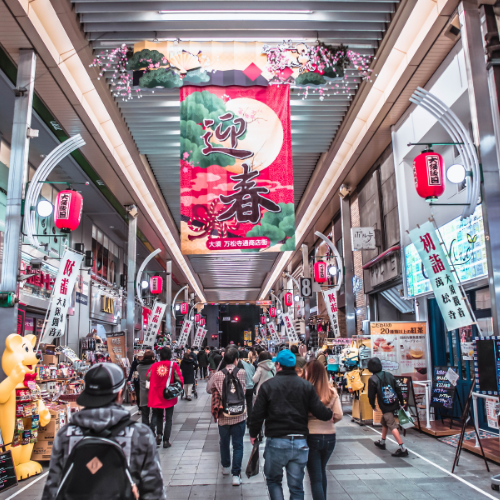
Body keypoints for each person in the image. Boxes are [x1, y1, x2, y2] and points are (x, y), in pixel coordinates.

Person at [42, 363, 165, 500]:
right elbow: (154, 492)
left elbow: (52, 490)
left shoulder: (66, 435)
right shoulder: (140, 435)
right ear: (119, 393)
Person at [249, 350, 333, 500]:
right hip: (300, 441)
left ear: (278, 365)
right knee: (296, 487)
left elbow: (257, 414)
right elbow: (319, 410)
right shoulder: (305, 386)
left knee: (274, 481)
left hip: (276, 441)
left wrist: (253, 434)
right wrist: (329, 414)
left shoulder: (268, 386)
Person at [303, 360, 343, 500]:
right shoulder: (332, 391)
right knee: (321, 471)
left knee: (315, 478)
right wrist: (330, 420)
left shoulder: (306, 391)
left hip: (312, 437)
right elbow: (339, 415)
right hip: (330, 437)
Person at [210, 348, 246, 486]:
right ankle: (236, 475)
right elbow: (245, 390)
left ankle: (226, 467)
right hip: (240, 415)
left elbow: (210, 389)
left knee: (224, 442)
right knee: (238, 445)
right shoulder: (242, 373)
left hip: (223, 415)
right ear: (236, 359)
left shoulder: (218, 375)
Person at [367, 357, 408, 457]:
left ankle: (403, 448)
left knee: (391, 424)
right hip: (394, 402)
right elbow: (398, 389)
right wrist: (402, 401)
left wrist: (372, 405)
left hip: (385, 405)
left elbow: (371, 395)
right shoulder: (389, 374)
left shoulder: (372, 379)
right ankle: (382, 442)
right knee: (384, 422)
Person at [147, 346, 184, 448]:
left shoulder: (154, 365)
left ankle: (158, 433)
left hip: (155, 394)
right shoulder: (173, 365)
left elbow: (148, 377)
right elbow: (179, 379)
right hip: (168, 395)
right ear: (170, 355)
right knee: (168, 418)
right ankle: (166, 441)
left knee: (157, 414)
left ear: (160, 355)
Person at [137, 350, 155, 426]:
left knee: (145, 415)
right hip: (153, 392)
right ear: (152, 358)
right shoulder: (155, 367)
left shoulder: (138, 367)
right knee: (155, 413)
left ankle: (146, 431)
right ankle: (153, 428)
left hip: (143, 393)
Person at [239, 350, 256, 427]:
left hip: (243, 387)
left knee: (242, 403)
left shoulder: (240, 363)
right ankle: (250, 421)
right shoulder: (251, 365)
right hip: (251, 387)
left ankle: (241, 420)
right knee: (249, 404)